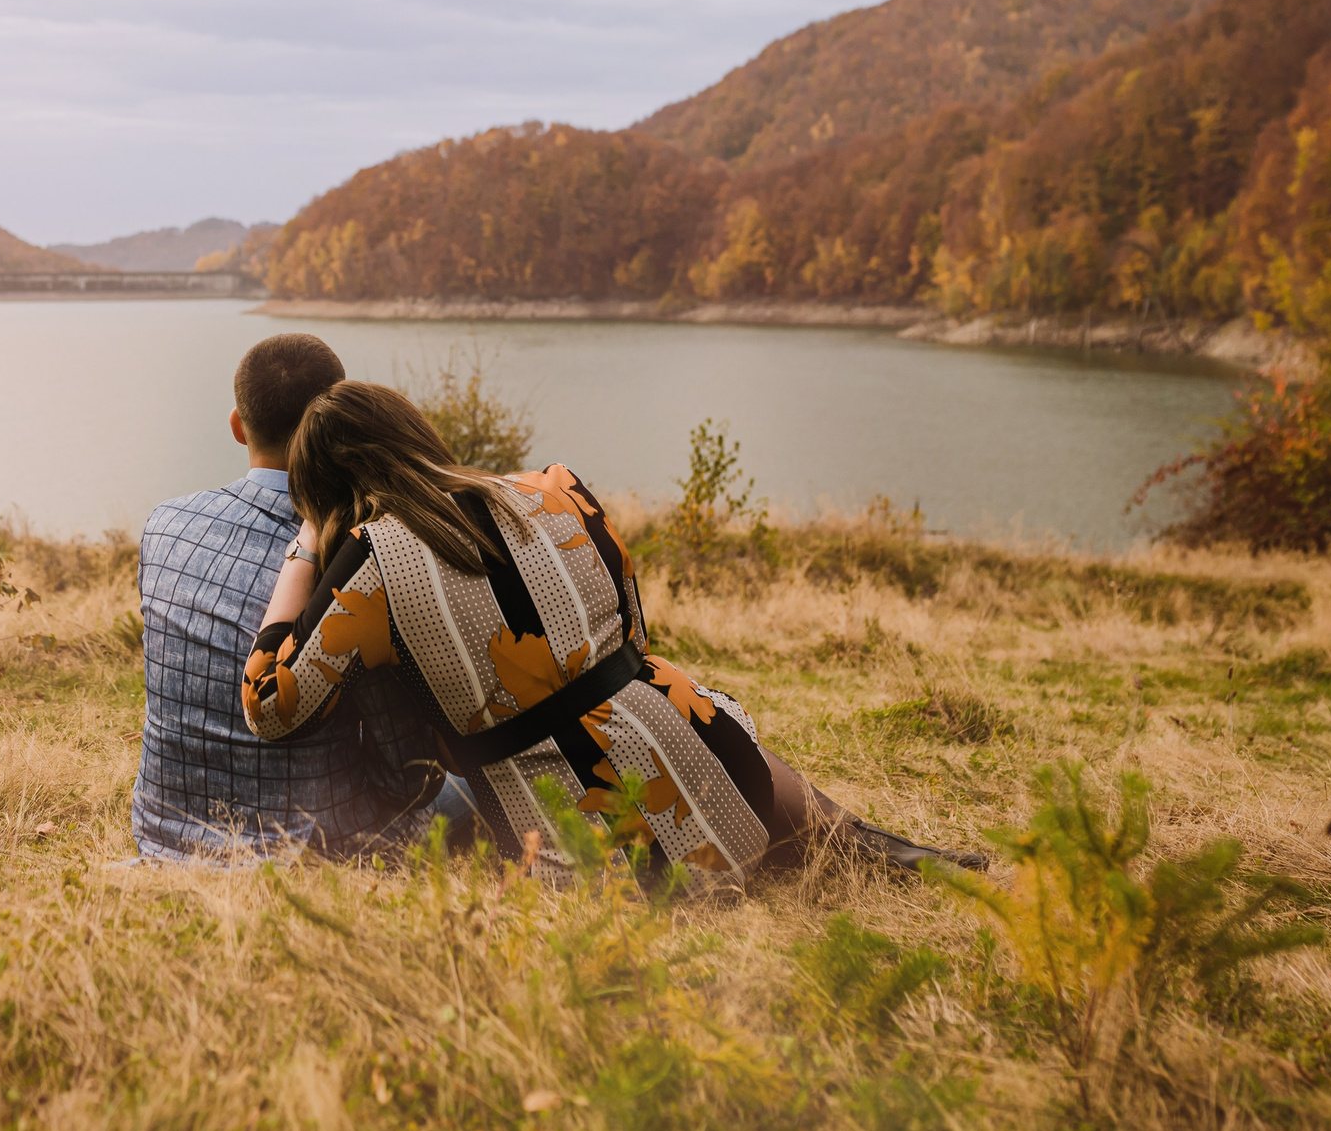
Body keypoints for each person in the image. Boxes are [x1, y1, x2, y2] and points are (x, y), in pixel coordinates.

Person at [241, 381, 985, 888]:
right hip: (683, 734)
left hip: (571, 823)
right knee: (699, 718)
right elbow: (633, 624)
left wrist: (308, 546)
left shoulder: (366, 561)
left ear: (329, 489)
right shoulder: (558, 485)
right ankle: (898, 855)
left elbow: (270, 706)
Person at [132, 336, 446, 860]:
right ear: (342, 418)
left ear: (238, 426)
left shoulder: (164, 524)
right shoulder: (363, 556)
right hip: (320, 844)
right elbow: (409, 779)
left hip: (164, 832)